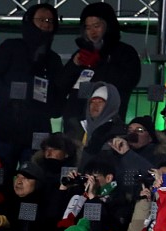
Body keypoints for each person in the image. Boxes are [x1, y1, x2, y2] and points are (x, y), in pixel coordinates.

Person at [0, 3, 64, 171]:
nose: (46, 24)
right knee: (0, 179)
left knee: (33, 177)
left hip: (38, 133)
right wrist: (8, 94)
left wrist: (51, 107)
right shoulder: (11, 47)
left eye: (50, 20)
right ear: (30, 21)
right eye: (41, 19)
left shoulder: (53, 59)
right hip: (7, 128)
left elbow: (58, 94)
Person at [59, 2, 141, 140]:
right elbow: (61, 85)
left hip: (107, 123)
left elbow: (129, 80)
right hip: (75, 123)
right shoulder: (82, 54)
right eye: (88, 27)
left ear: (108, 26)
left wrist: (100, 63)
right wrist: (74, 65)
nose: (92, 32)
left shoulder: (124, 52)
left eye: (96, 26)